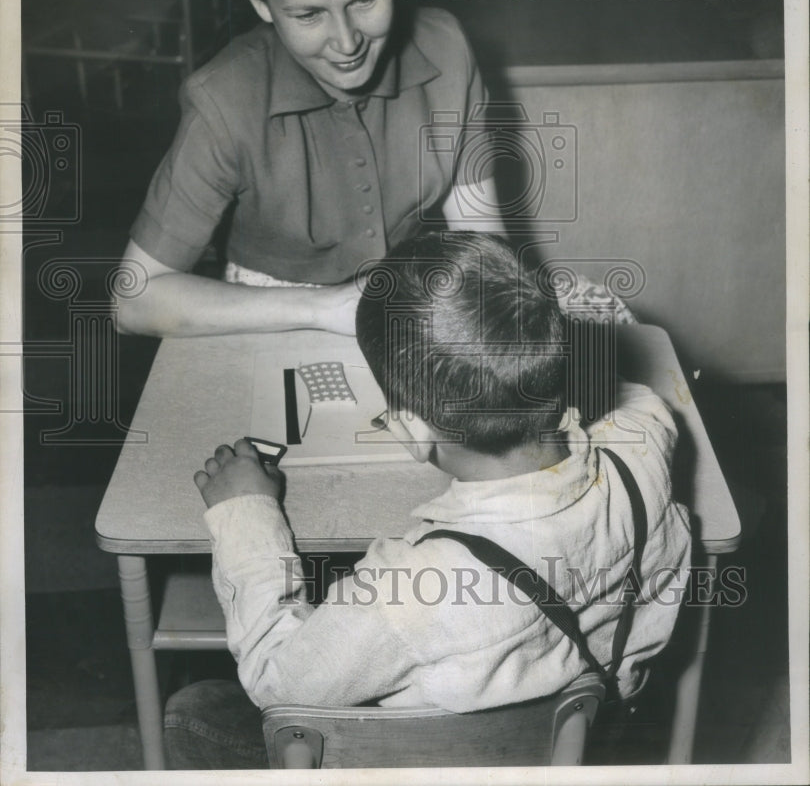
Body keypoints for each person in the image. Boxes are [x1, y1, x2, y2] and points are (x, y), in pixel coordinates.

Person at [163, 231, 692, 769]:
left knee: (192, 712)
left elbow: (278, 682)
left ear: (412, 431)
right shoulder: (643, 454)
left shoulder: (407, 592)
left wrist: (246, 513)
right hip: (573, 745)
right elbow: (642, 404)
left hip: (419, 763)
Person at [117, 0, 504, 338]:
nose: (346, 42)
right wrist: (324, 310)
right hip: (263, 321)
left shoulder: (447, 49)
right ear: (261, 4)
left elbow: (486, 250)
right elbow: (132, 300)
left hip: (403, 306)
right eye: (308, 14)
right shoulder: (224, 99)